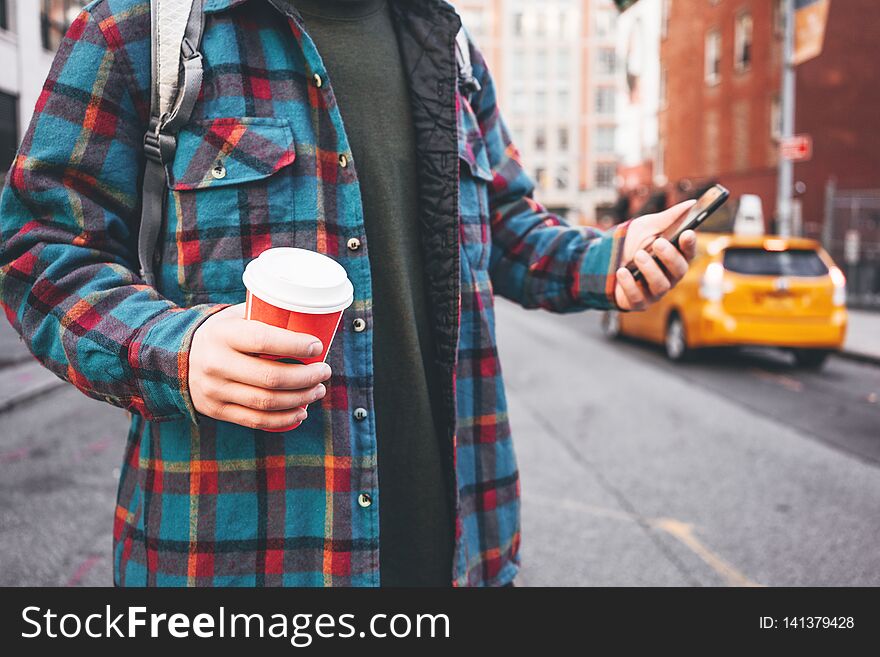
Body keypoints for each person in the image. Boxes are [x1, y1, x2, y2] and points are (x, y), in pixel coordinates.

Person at [0, 0, 696, 587]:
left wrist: (608, 258)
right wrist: (176, 350)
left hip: (462, 557)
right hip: (239, 562)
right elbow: (40, 248)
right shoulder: (139, 30)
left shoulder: (445, 44)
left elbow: (507, 227)